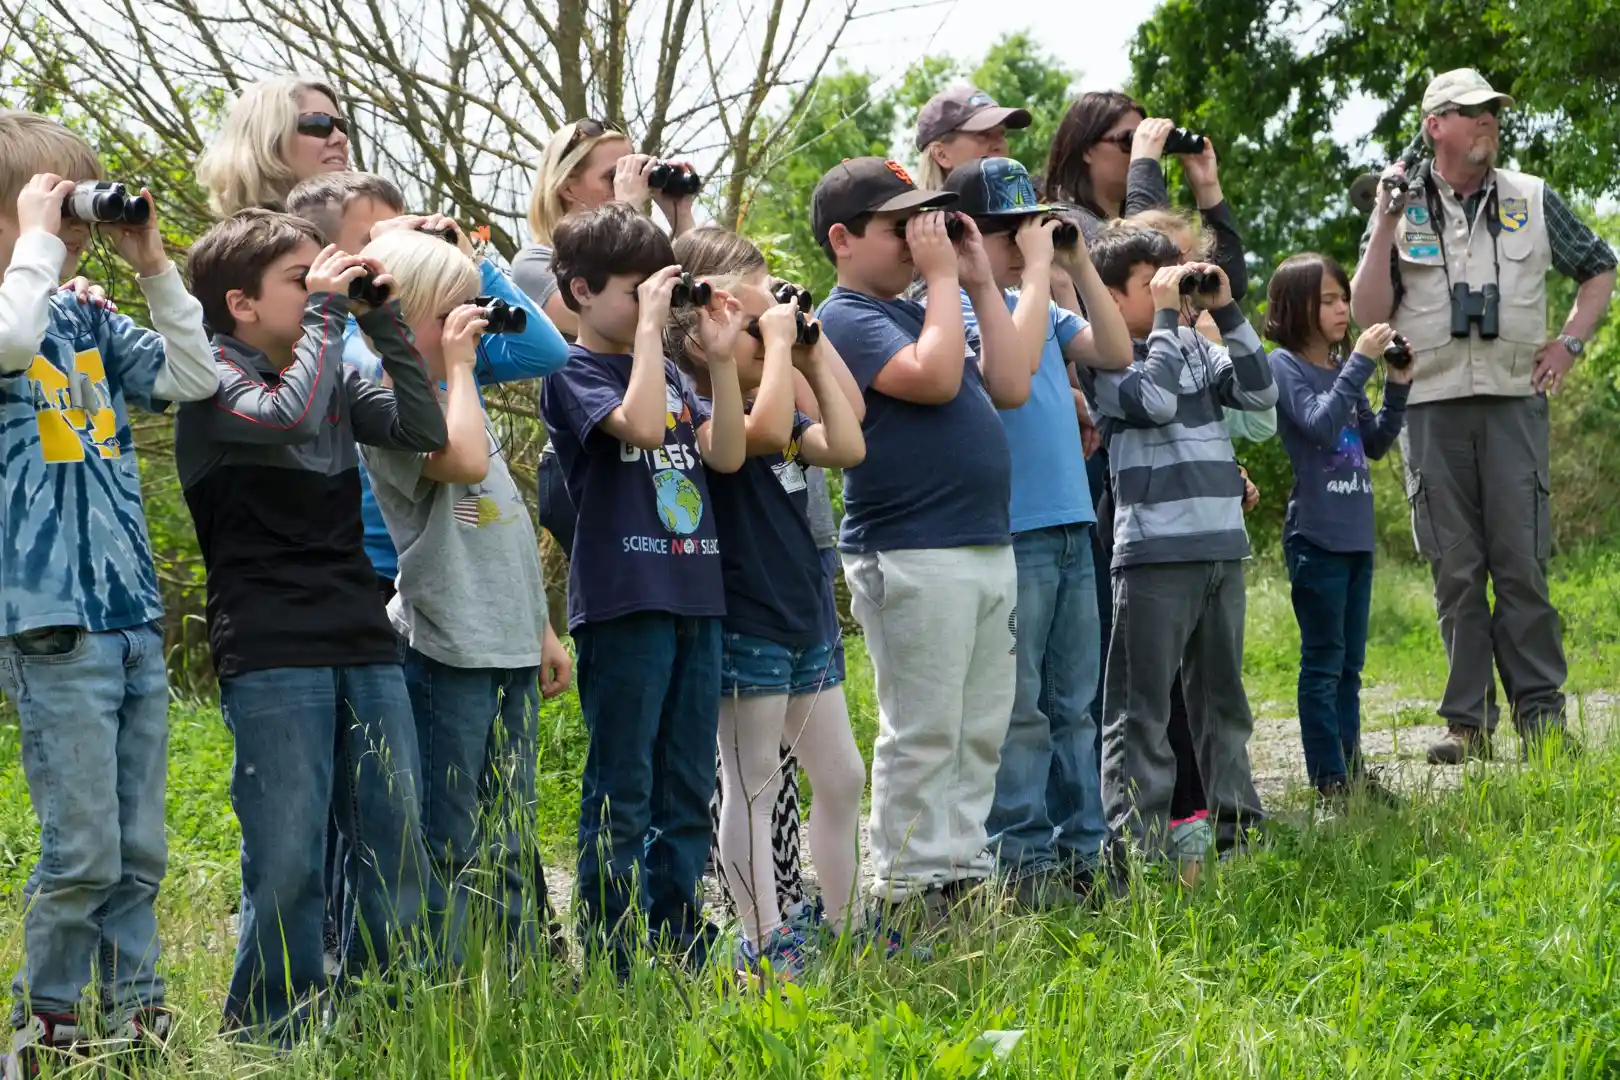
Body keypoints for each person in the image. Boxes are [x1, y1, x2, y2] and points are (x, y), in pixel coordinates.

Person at [175, 210, 444, 1039]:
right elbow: (283, 416)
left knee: (393, 830)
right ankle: (270, 1031)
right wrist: (333, 317)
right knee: (288, 854)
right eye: (300, 280)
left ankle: (385, 1011)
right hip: (269, 641)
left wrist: (383, 319)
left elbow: (422, 429)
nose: (319, 288)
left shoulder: (326, 357)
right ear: (241, 303)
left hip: (357, 628)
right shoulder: (205, 373)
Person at [0, 111, 217, 1073]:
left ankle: (135, 1009)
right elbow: (12, 340)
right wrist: (40, 245)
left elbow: (196, 376)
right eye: (53, 201)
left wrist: (152, 263)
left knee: (140, 848)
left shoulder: (84, 311)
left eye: (79, 204)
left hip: (129, 613)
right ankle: (44, 1019)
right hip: (51, 621)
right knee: (82, 846)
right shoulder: (17, 312)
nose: (75, 222)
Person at [1349, 68, 1617, 763]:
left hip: (1513, 402)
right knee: (1455, 568)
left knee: (1522, 562)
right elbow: (1366, 314)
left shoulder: (1530, 195)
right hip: (1430, 406)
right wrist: (1382, 219)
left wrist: (1570, 342)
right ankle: (1468, 724)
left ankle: (1541, 720)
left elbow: (1599, 267)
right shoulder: (1398, 205)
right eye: (1472, 112)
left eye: (1493, 111)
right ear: (1435, 124)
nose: (1488, 122)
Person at [811, 157, 1028, 923]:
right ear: (842, 239)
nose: (918, 239)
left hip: (978, 542)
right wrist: (941, 280)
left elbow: (1008, 381)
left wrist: (974, 283)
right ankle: (906, 885)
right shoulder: (845, 316)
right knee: (925, 726)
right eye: (898, 226)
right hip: (908, 548)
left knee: (978, 726)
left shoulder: (921, 306)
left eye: (926, 222)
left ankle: (960, 866)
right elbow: (935, 379)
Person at [354, 229, 575, 966]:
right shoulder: (394, 413)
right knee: (454, 832)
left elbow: (505, 531)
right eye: (451, 312)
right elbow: (465, 462)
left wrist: (543, 630)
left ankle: (516, 979)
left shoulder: (459, 396)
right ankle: (452, 983)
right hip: (448, 648)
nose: (470, 324)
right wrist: (455, 365)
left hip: (507, 645)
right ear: (404, 317)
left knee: (513, 826)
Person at [539, 202, 745, 975]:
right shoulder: (570, 369)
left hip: (695, 592)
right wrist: (654, 335)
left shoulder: (671, 371)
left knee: (689, 782)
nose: (648, 306)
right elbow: (644, 428)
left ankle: (679, 936)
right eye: (635, 292)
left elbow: (723, 458)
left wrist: (719, 360)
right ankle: (616, 948)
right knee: (624, 783)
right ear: (581, 290)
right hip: (625, 599)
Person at [666, 227, 868, 978]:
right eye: (754, 324)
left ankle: (845, 924)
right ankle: (765, 934)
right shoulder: (711, 409)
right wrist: (774, 348)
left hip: (803, 615)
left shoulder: (774, 400)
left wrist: (809, 346)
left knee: (841, 775)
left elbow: (848, 445)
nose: (769, 331)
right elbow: (763, 433)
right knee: (754, 777)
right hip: (745, 618)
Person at [937, 157, 1134, 909]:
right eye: (1010, 231)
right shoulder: (957, 309)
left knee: (1075, 704)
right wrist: (1031, 274)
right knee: (1018, 713)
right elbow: (1006, 373)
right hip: (1010, 535)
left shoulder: (1042, 307)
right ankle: (1023, 864)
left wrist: (1076, 263)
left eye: (1032, 227)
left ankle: (1085, 849)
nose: (1026, 243)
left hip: (1068, 525)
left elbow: (1116, 351)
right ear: (969, 236)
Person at [1088, 223, 1274, 869]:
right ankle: (1137, 851)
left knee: (1224, 705)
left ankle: (1237, 836)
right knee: (1140, 712)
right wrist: (1168, 319)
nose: (1175, 292)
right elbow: (1155, 400)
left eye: (1178, 279)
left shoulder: (1195, 343)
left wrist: (1224, 308)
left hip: (1221, 545)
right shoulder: (1108, 357)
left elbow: (1259, 393)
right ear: (1112, 297)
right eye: (1152, 284)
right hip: (1154, 554)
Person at [514, 119, 699, 557]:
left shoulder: (651, 260)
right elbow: (612, 316)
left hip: (666, 443)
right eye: (611, 175)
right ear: (567, 188)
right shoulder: (535, 262)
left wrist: (681, 215)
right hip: (593, 449)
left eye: (634, 171)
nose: (627, 183)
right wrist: (628, 211)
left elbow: (692, 316)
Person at [1267, 254, 1411, 804]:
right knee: (1323, 662)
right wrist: (1358, 363)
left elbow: (1371, 444)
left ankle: (1351, 773)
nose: (1340, 308)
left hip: (1356, 538)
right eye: (1327, 299)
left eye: (1342, 297)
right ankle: (1328, 780)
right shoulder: (1284, 366)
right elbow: (1321, 427)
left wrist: (1396, 385)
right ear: (1295, 306)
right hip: (1317, 539)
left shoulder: (1338, 367)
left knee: (1350, 665)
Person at [1042, 91, 1247, 298]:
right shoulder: (1065, 225)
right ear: (1087, 150)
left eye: (1144, 142)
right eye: (1129, 141)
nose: (1141, 150)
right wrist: (1144, 163)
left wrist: (1207, 188)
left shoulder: (1129, 216)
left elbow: (1228, 289)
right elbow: (1149, 262)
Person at [196, 76, 351, 216]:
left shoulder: (367, 232)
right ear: (268, 143)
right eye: (319, 123)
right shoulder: (247, 245)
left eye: (342, 126)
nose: (341, 137)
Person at [914, 85, 1032, 191]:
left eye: (1002, 134)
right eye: (983, 135)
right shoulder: (911, 214)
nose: (999, 145)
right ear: (941, 155)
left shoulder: (1033, 203)